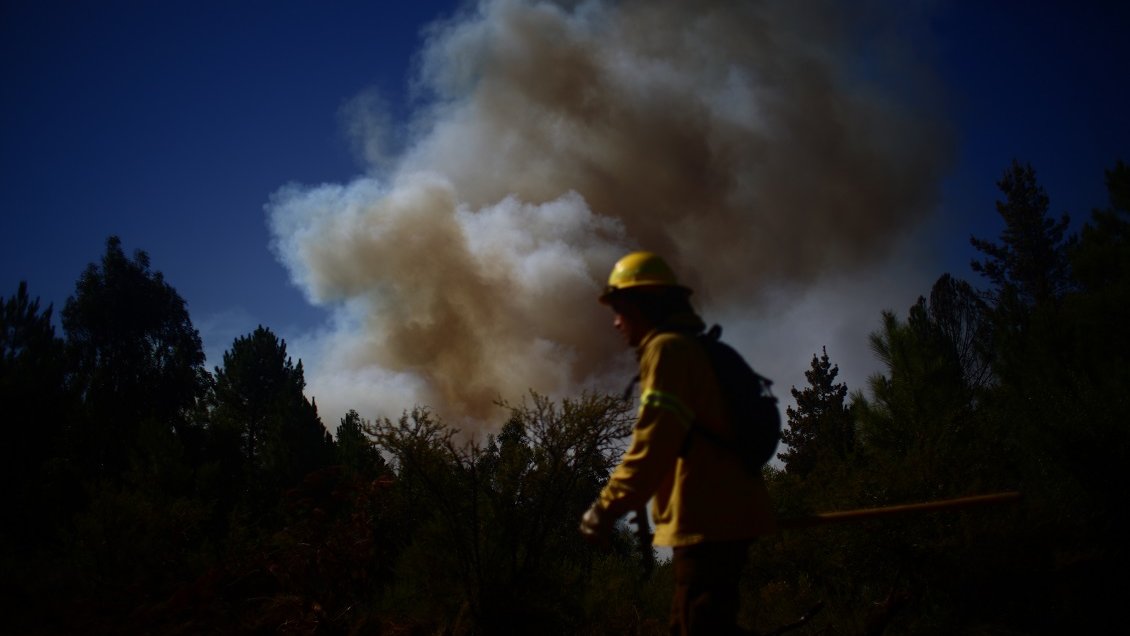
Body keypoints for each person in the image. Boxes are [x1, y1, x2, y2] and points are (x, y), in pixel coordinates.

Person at [579, 251, 776, 636]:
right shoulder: (691, 349)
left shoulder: (667, 351)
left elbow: (653, 445)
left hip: (709, 521)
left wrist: (606, 507)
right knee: (689, 625)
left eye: (618, 309)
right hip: (722, 515)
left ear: (639, 306)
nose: (616, 322)